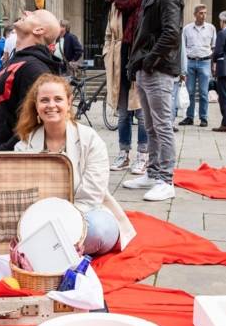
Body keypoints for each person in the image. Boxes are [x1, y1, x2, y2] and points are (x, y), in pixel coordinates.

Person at [14, 74, 135, 254]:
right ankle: (55, 250)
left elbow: (92, 195)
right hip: (41, 220)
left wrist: (61, 223)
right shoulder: (23, 146)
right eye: (44, 100)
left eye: (58, 99)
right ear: (36, 106)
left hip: (86, 214)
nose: (51, 105)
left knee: (98, 231)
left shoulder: (91, 139)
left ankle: (51, 250)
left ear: (69, 102)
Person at [123, 0, 184, 202]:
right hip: (147, 69)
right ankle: (153, 173)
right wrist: (137, 64)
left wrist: (148, 61)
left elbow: (172, 33)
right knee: (150, 126)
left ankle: (166, 179)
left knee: (161, 126)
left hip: (158, 69)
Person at [0, 9, 62, 151]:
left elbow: (34, 123)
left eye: (34, 14)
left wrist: (5, 152)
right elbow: (6, 112)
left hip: (17, 156)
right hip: (5, 152)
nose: (26, 12)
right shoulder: (18, 59)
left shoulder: (34, 69)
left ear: (39, 30)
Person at [103, 0, 149, 174]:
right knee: (122, 113)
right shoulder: (115, 4)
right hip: (119, 63)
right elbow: (108, 34)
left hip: (139, 61)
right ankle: (123, 153)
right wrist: (107, 54)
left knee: (140, 112)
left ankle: (143, 154)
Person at [180, 4, 217, 127]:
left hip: (205, 62)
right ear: (195, 14)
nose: (203, 15)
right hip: (190, 61)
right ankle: (189, 117)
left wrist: (213, 64)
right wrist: (183, 67)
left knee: (203, 92)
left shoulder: (211, 28)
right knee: (190, 91)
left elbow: (214, 46)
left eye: (205, 13)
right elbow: (183, 48)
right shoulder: (187, 29)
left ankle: (203, 118)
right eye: (201, 13)